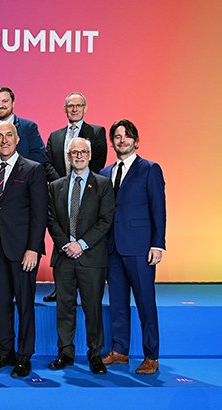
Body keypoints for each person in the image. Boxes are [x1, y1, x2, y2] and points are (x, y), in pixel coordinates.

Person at [0, 121, 47, 378]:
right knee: (2, 305)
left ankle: (23, 356)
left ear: (17, 139)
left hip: (23, 252)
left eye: (9, 135)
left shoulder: (33, 169)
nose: (4, 140)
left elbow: (40, 214)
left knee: (25, 305)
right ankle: (5, 352)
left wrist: (33, 249)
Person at [100, 119, 166, 375]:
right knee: (117, 302)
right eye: (117, 136)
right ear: (112, 142)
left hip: (140, 248)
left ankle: (152, 355)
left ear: (135, 140)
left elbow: (158, 209)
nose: (122, 140)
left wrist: (157, 244)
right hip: (113, 247)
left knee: (145, 302)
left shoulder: (150, 169)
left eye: (127, 136)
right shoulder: (105, 174)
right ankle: (120, 350)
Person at [47, 137, 115, 375]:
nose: (78, 156)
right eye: (74, 152)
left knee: (92, 308)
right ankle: (65, 353)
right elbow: (52, 220)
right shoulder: (56, 186)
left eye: (83, 151)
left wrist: (82, 244)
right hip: (64, 257)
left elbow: (106, 220)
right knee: (64, 308)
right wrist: (67, 244)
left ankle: (95, 354)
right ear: (68, 156)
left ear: (89, 155)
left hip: (92, 258)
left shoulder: (103, 184)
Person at [0, 87, 46, 303]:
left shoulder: (28, 128)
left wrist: (14, 167)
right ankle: (4, 338)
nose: (0, 105)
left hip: (22, 240)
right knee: (2, 303)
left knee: (25, 305)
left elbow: (40, 156)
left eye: (4, 101)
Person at [43, 92, 108, 302]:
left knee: (86, 231)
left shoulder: (97, 132)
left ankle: (86, 286)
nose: (74, 109)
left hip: (88, 190)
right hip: (62, 191)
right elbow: (48, 163)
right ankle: (61, 287)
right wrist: (64, 183)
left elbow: (97, 161)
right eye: (70, 106)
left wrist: (81, 179)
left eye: (78, 105)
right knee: (62, 232)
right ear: (65, 109)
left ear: (85, 108)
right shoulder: (55, 135)